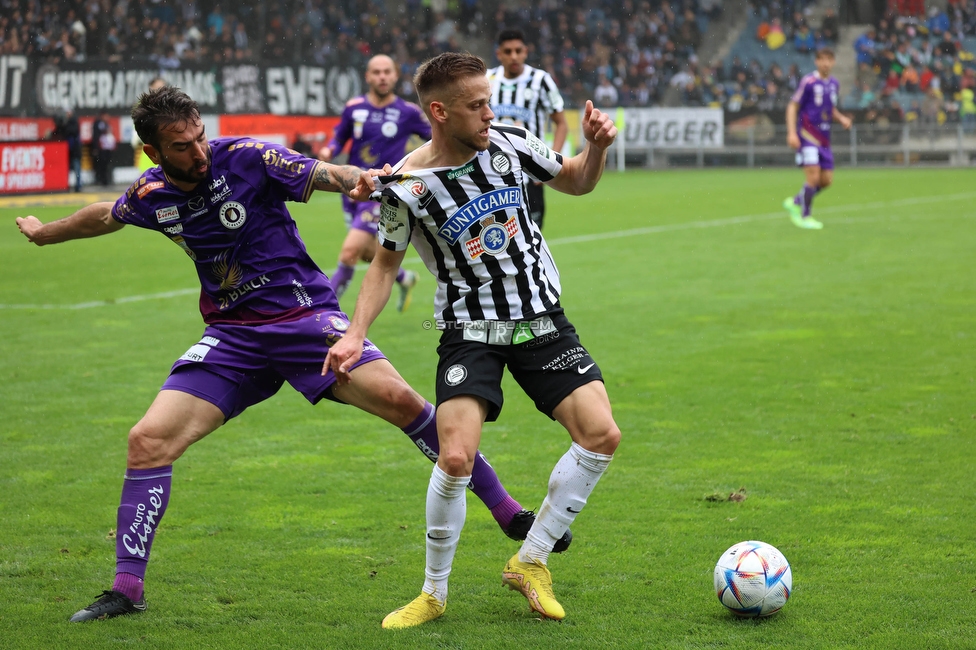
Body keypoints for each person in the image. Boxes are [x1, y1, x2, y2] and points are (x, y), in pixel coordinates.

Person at [15, 86, 567, 623]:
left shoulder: (248, 157)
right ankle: (126, 589)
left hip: (306, 320)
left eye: (201, 137)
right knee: (147, 441)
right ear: (155, 152)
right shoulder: (150, 193)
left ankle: (506, 510)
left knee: (401, 400)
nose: (199, 152)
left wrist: (357, 179)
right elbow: (103, 215)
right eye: (182, 146)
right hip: (233, 338)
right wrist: (45, 233)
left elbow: (326, 173)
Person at [324, 52, 621, 629]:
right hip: (470, 331)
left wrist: (599, 146)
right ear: (439, 111)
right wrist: (355, 334)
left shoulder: (512, 140)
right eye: (477, 104)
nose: (491, 112)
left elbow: (578, 180)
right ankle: (433, 593)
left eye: (490, 101)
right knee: (455, 455)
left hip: (541, 320)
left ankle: (531, 560)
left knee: (601, 435)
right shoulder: (405, 185)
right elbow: (383, 267)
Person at [317, 55, 430, 311]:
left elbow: (434, 140)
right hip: (352, 189)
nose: (382, 76)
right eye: (376, 72)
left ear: (395, 75)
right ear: (368, 77)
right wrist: (328, 151)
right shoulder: (354, 107)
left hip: (382, 191)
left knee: (349, 253)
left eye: (386, 72)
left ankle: (323, 312)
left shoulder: (408, 112)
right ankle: (405, 278)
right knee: (369, 252)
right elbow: (339, 137)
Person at [487, 29, 568, 230]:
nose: (513, 56)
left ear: (526, 51)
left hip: (531, 171)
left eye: (518, 50)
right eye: (507, 51)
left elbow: (562, 124)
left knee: (533, 237)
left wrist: (549, 165)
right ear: (499, 54)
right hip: (492, 172)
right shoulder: (487, 79)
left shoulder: (541, 80)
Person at [783, 48, 852, 230]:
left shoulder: (834, 84)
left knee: (826, 181)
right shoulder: (809, 81)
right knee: (813, 177)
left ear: (833, 62)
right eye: (822, 59)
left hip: (824, 139)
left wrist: (842, 118)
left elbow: (830, 109)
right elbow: (792, 106)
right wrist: (791, 132)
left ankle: (796, 201)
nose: (825, 63)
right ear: (816, 62)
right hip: (807, 136)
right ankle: (805, 217)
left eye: (829, 59)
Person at [132, 77, 168, 172]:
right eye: (157, 87)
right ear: (150, 88)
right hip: (149, 160)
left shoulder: (172, 105)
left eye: (163, 87)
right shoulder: (142, 106)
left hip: (169, 157)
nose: (160, 90)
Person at [52, 108, 82, 192]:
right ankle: (66, 186)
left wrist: (64, 124)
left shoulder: (73, 122)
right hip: (68, 151)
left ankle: (78, 186)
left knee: (77, 169)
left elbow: (71, 131)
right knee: (68, 169)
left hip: (74, 150)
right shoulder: (66, 122)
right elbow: (59, 131)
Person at [91, 111, 117, 186]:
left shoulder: (107, 125)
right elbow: (96, 137)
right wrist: (95, 148)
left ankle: (107, 180)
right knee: (101, 165)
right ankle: (102, 180)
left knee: (107, 164)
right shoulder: (98, 124)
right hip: (101, 148)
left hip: (108, 148)